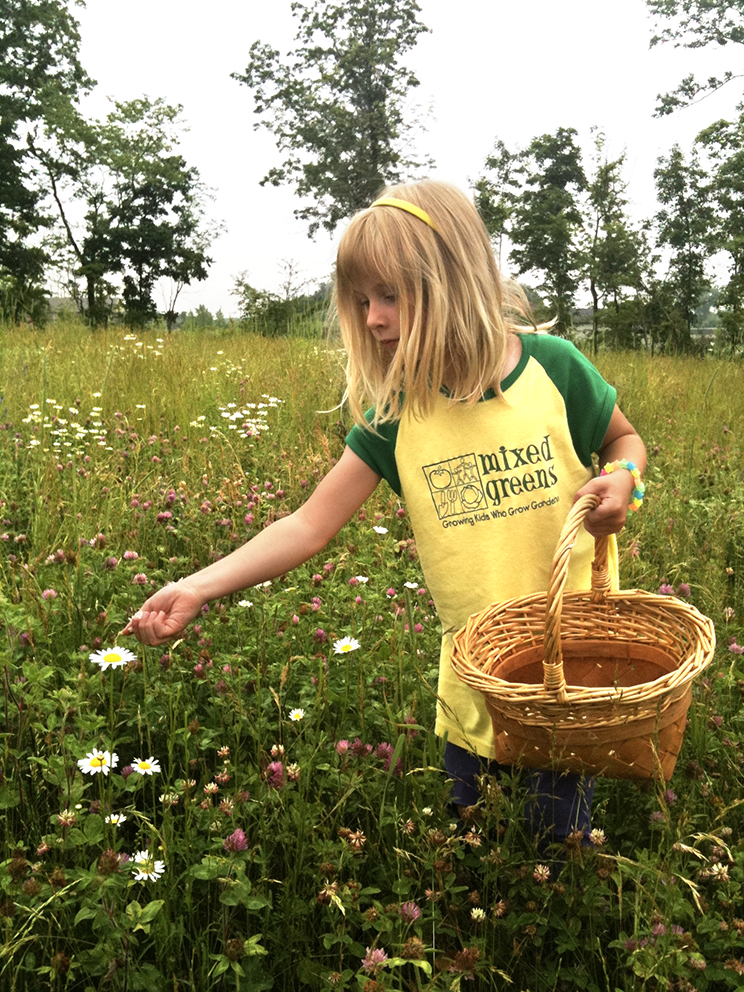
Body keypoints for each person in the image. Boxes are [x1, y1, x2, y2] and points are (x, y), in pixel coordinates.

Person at [127, 180, 646, 844]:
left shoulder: (554, 369)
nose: (372, 318)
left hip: (567, 667)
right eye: (363, 300)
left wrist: (623, 478)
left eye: (391, 296)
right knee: (473, 842)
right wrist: (198, 585)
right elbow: (309, 524)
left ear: (452, 278)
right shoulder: (397, 413)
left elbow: (623, 440)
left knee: (558, 845)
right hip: (473, 680)